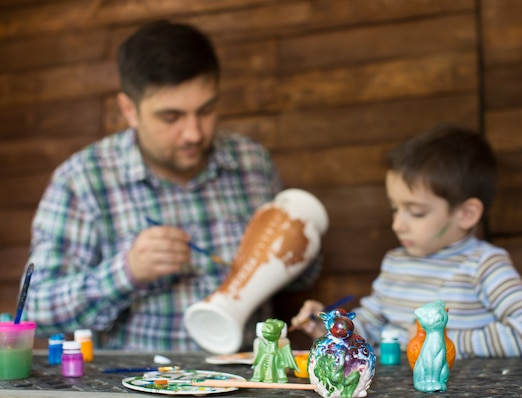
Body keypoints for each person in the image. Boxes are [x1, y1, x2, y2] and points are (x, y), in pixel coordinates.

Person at [23, 20, 319, 351]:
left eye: (206, 110)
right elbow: (36, 309)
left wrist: (296, 248)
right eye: (171, 117)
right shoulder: (82, 180)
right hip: (135, 392)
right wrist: (126, 271)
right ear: (129, 110)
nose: (193, 133)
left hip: (247, 382)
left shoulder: (252, 162)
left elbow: (298, 276)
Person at [291, 125, 522, 358]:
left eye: (416, 212)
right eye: (395, 209)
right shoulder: (396, 263)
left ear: (467, 214)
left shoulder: (484, 265)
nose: (397, 224)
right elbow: (369, 327)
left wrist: (443, 340)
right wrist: (329, 325)